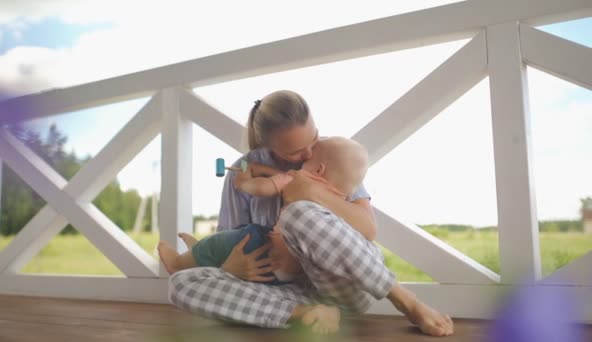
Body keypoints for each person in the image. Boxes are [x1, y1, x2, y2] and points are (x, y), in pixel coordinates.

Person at [167, 90, 454, 336]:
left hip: (343, 283)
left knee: (297, 215)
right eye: (294, 152)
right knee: (181, 284)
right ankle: (306, 313)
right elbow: (231, 238)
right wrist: (231, 268)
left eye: (312, 140)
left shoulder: (333, 155)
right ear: (267, 146)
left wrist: (312, 192)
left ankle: (406, 300)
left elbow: (368, 230)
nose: (307, 155)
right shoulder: (243, 170)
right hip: (285, 291)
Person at [157, 136, 369, 286]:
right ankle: (198, 254)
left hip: (267, 252)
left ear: (318, 169)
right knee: (225, 242)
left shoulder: (301, 181)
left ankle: (179, 263)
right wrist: (266, 170)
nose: (300, 163)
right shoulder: (339, 200)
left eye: (307, 160)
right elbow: (284, 176)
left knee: (224, 241)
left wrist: (245, 183)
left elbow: (264, 187)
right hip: (296, 272)